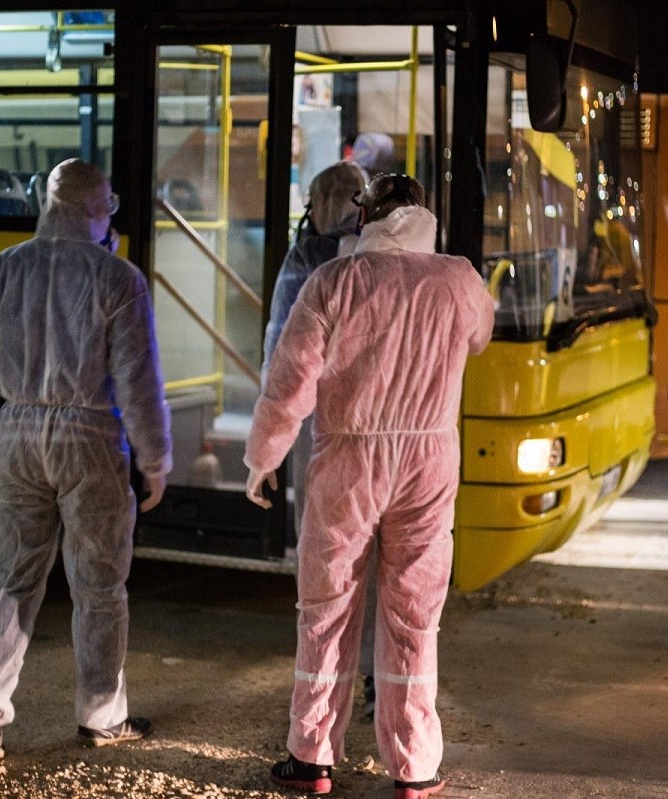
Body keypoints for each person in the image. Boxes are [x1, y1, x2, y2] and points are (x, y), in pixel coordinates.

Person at [244, 173, 495, 798]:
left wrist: (262, 458)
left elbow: (288, 385)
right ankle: (414, 767)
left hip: (346, 463)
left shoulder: (332, 282)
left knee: (327, 609)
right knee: (414, 614)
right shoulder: (458, 279)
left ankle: (312, 756)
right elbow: (480, 337)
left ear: (369, 218)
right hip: (430, 460)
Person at [0, 158, 171, 760]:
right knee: (100, 585)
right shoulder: (118, 278)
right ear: (97, 210)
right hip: (90, 439)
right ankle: (101, 715)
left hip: (17, 434)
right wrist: (155, 459)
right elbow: (138, 383)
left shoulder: (5, 268)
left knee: (7, 582)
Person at [261, 160, 382, 722]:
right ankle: (378, 677)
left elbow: (282, 357)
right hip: (387, 432)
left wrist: (269, 445)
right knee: (385, 558)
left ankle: (324, 695)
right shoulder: (388, 257)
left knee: (326, 561)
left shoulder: (306, 261)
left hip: (324, 432)